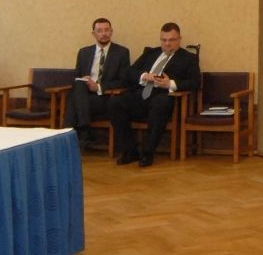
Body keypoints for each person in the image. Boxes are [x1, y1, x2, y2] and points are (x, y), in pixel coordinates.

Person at [108, 22, 200, 168]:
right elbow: (128, 72)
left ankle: (148, 152)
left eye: (172, 40)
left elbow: (195, 83)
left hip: (164, 96)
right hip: (141, 94)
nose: (167, 44)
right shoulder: (150, 53)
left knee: (160, 103)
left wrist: (170, 84)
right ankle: (130, 150)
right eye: (164, 40)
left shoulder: (188, 58)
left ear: (179, 39)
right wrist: (144, 76)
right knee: (114, 103)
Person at [64, 17, 131, 146]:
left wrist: (99, 87)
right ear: (93, 34)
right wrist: (86, 81)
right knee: (78, 85)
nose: (104, 34)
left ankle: (69, 139)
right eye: (99, 31)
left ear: (111, 32)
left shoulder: (122, 52)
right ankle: (84, 130)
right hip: (84, 95)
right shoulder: (84, 52)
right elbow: (76, 77)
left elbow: (124, 81)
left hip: (104, 97)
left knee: (73, 102)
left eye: (107, 30)